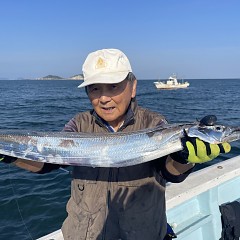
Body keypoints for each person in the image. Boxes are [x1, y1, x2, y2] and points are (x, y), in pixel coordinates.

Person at [0, 48, 231, 240]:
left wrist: (184, 158)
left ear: (133, 87)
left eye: (113, 86)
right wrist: (10, 155)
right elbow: (49, 161)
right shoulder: (78, 124)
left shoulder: (155, 123)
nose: (103, 97)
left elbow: (169, 171)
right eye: (94, 88)